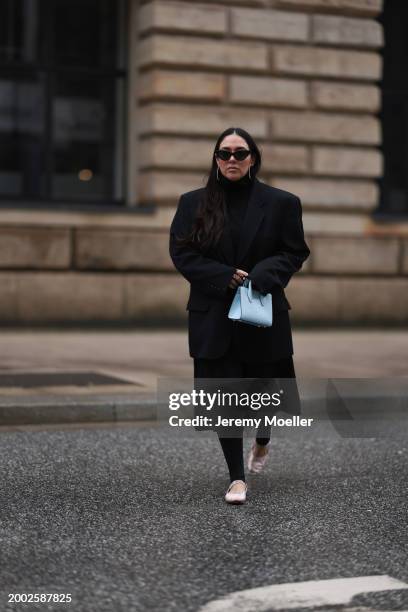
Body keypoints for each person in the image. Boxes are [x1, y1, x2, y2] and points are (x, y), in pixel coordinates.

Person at [169, 127, 310, 504]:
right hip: (213, 312)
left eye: (240, 153)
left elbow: (295, 251)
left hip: (263, 310)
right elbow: (182, 255)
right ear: (215, 159)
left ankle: (263, 441)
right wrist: (223, 276)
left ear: (253, 158)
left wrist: (265, 274)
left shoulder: (282, 203)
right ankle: (236, 479)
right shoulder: (192, 203)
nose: (232, 159)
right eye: (224, 153)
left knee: (266, 395)